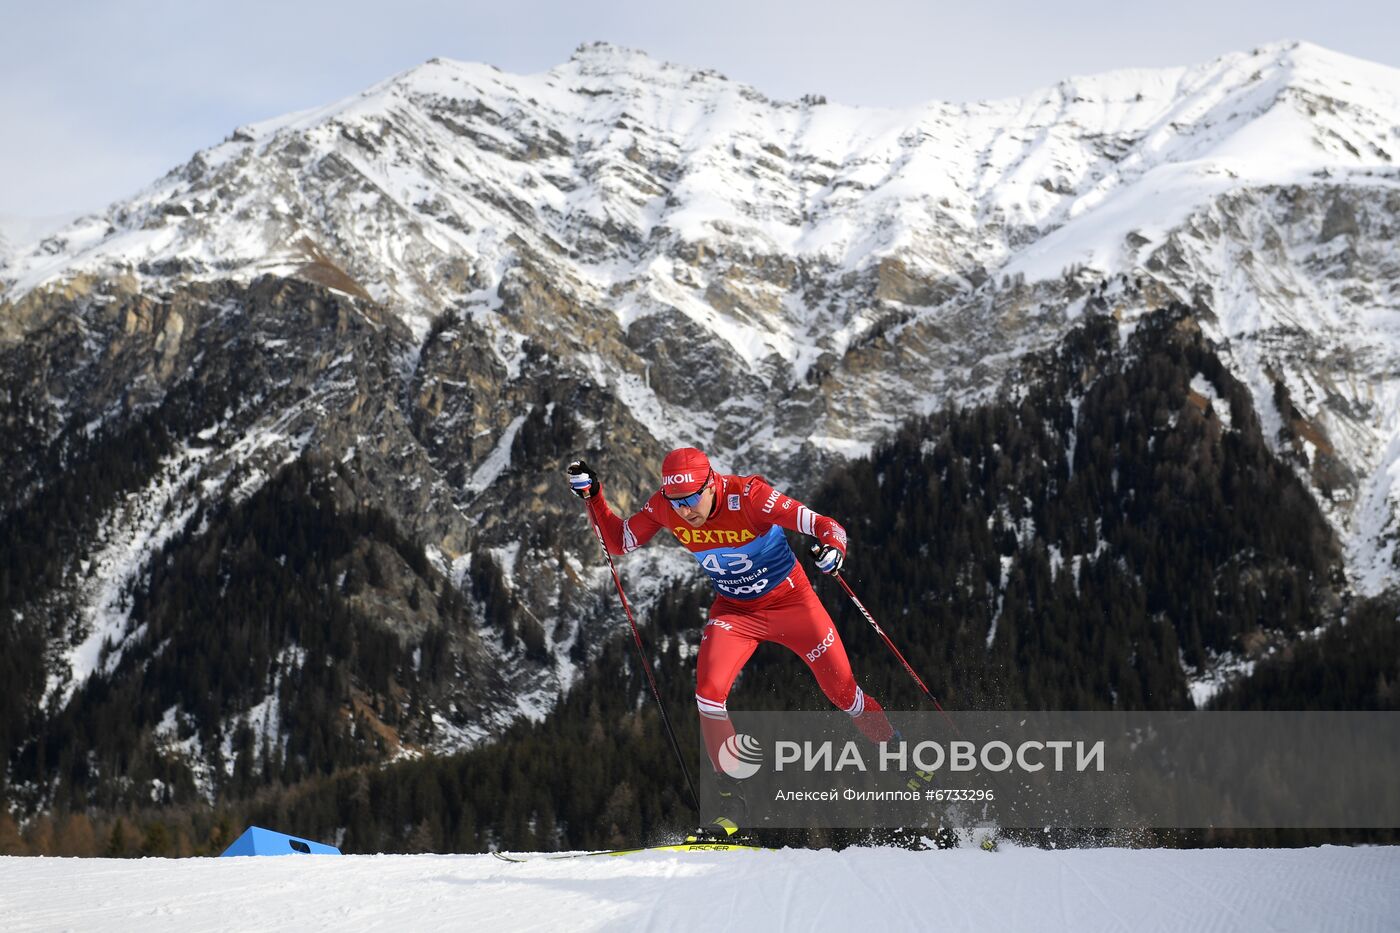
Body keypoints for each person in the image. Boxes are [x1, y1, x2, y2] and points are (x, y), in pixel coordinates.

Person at [565, 447, 895, 780]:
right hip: (736, 613)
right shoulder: (666, 507)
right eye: (676, 503)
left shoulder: (751, 497)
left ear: (711, 485)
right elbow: (620, 541)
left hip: (792, 604)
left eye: (691, 500)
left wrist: (833, 551)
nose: (685, 512)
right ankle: (731, 802)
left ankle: (894, 751)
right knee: (708, 693)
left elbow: (826, 525)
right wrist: (594, 497)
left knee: (844, 694)